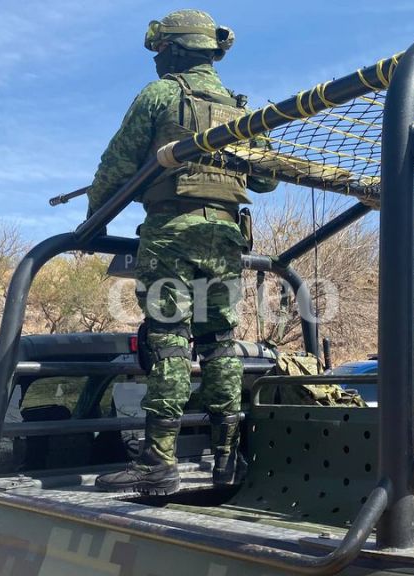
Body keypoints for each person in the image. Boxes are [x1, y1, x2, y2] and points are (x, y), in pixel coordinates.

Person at [90, 9, 277, 495]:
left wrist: (93, 223)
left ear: (173, 50)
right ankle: (226, 458)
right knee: (218, 342)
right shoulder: (241, 109)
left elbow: (115, 169)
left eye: (159, 52)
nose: (155, 61)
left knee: (169, 339)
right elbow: (267, 178)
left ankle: (158, 462)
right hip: (227, 238)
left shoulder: (159, 95)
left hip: (171, 232)